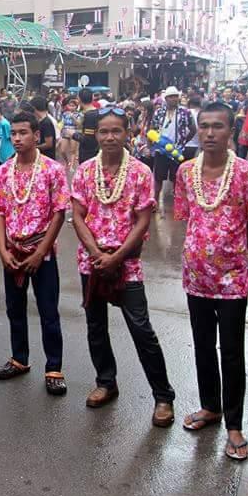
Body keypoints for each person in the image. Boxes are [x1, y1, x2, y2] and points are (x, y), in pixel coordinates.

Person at [71, 108, 176, 426]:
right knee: (95, 326)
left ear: (128, 133)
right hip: (92, 262)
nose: (109, 137)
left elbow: (143, 220)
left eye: (116, 131)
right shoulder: (85, 171)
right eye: (103, 131)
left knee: (141, 329)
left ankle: (163, 397)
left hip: (126, 261)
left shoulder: (141, 172)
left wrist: (116, 257)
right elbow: (77, 215)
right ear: (96, 135)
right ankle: (106, 382)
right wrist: (96, 252)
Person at [173, 102, 248, 460]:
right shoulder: (185, 172)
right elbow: (187, 217)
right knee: (202, 344)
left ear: (231, 131)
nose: (210, 133)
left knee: (231, 350)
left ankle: (235, 424)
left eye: (218, 126)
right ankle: (210, 406)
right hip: (196, 275)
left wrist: (233, 253)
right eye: (205, 126)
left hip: (232, 278)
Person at [0, 111, 70, 395]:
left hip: (42, 253)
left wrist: (41, 252)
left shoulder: (52, 169)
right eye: (13, 133)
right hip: (13, 250)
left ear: (36, 135)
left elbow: (59, 213)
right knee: (15, 309)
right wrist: (2, 249)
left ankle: (54, 368)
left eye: (23, 133)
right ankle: (19, 359)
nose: (17, 138)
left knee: (48, 311)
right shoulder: (4, 171)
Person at [150, 87, 196, 209]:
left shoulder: (185, 112)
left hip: (177, 151)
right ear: (166, 99)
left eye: (175, 96)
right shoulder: (159, 112)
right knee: (158, 178)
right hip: (161, 150)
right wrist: (152, 145)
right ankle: (154, 202)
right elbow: (152, 129)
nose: (174, 99)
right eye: (171, 97)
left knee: (177, 178)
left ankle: (178, 204)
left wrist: (183, 142)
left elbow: (193, 129)